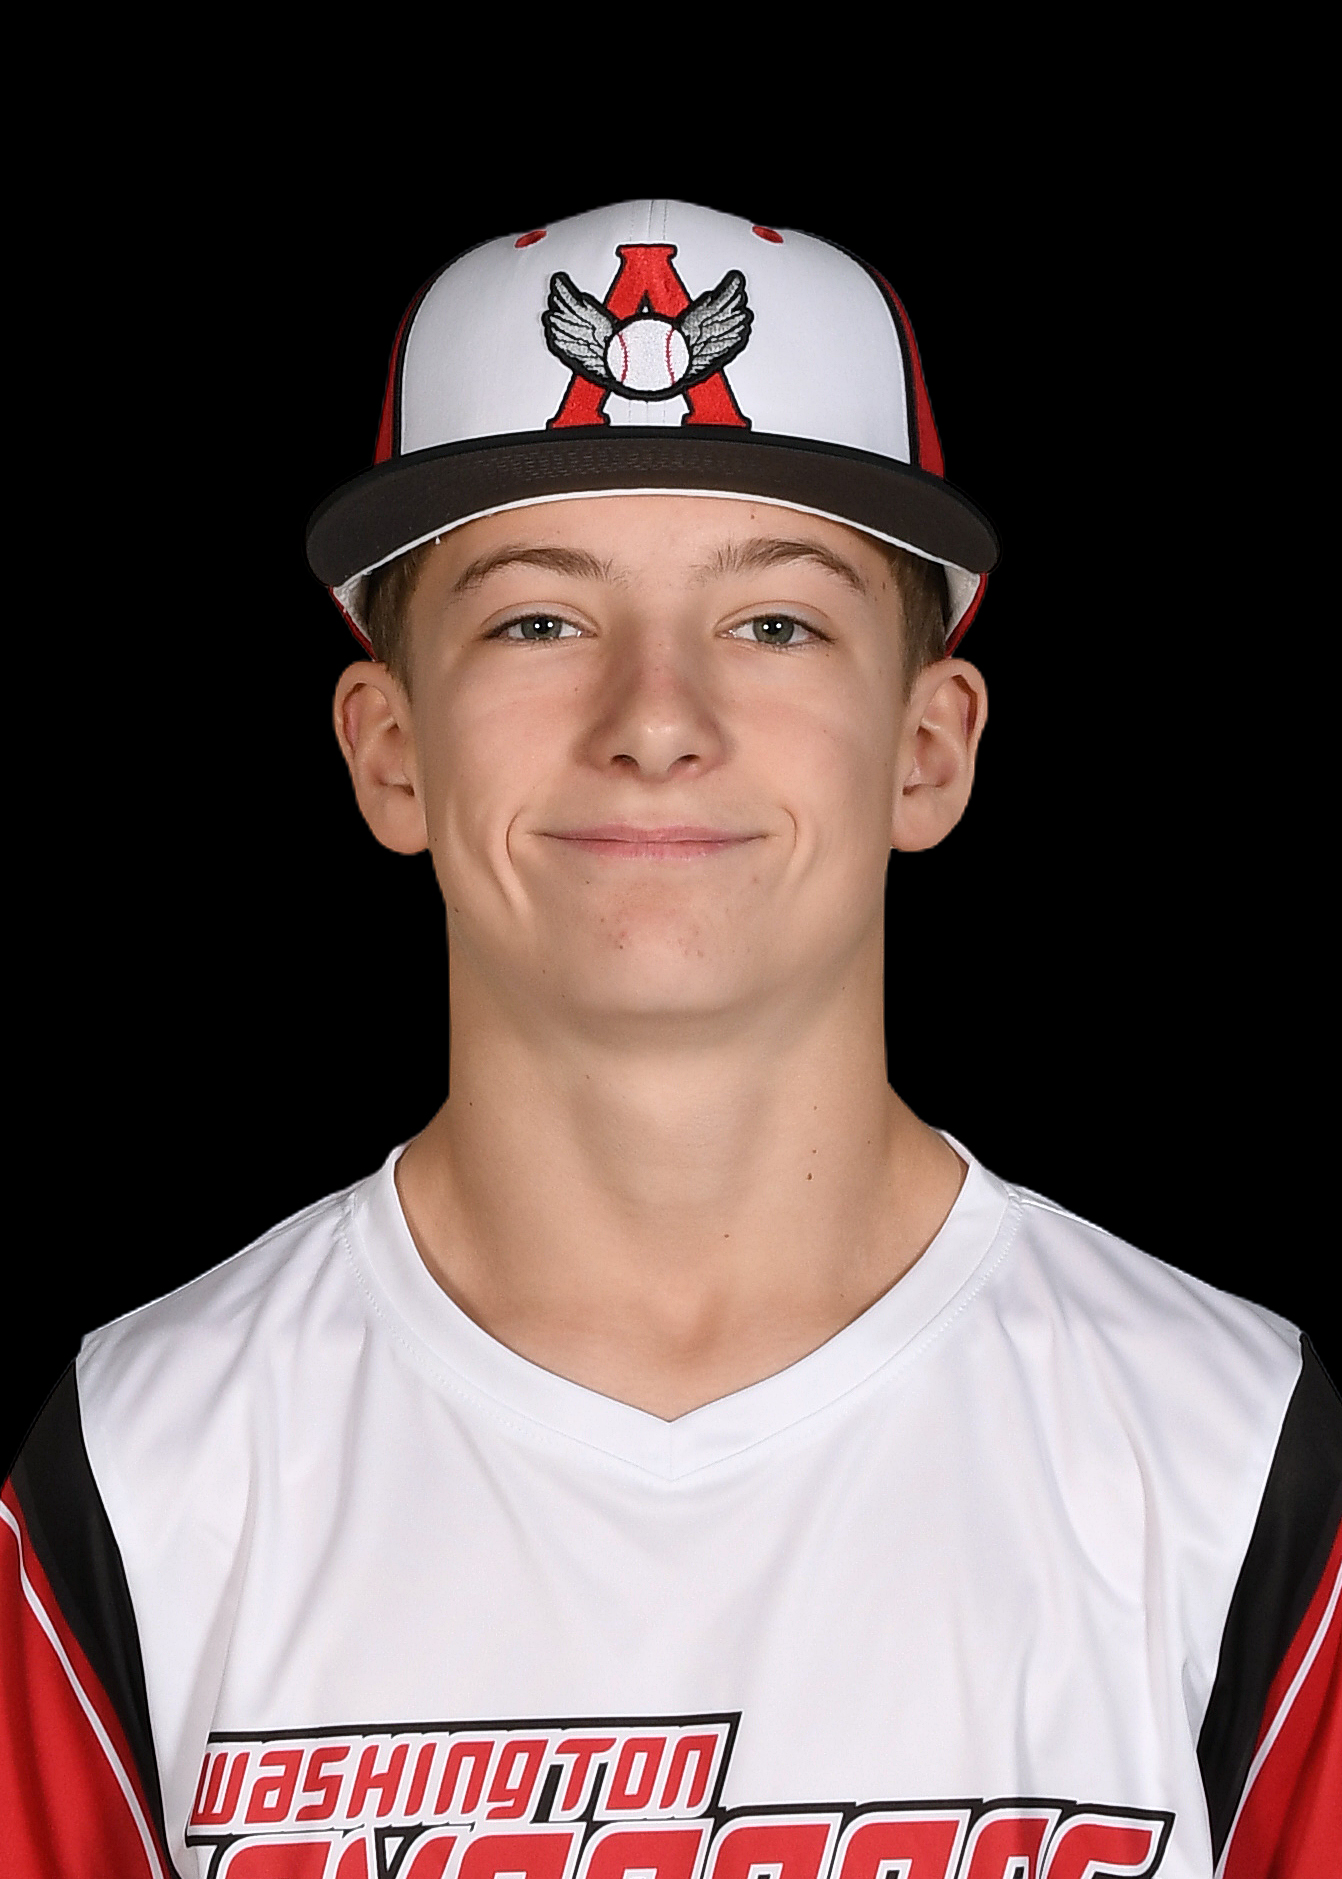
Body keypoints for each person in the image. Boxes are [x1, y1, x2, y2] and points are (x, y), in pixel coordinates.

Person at [3, 199, 1337, 1879]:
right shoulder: (137, 1464)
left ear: (927, 748)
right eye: (536, 622)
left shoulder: (1230, 1451)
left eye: (774, 623)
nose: (653, 720)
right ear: (388, 748)